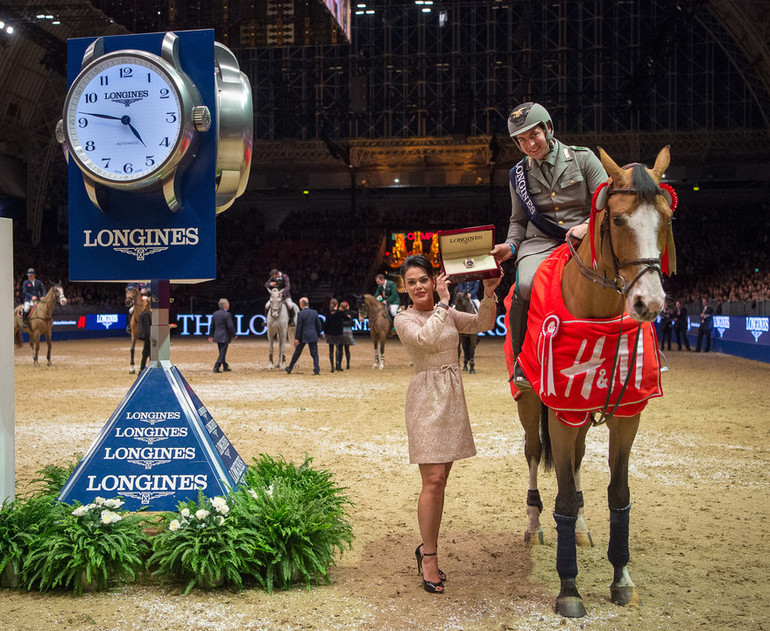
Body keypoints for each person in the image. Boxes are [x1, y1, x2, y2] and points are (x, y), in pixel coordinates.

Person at [394, 254, 501, 594]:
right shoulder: (403, 318)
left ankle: (428, 547)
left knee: (441, 482)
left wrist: (488, 292)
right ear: (404, 288)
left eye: (423, 279)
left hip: (452, 397)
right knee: (434, 479)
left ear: (432, 279)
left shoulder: (448, 312)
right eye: (411, 282)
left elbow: (483, 323)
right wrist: (442, 303)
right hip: (425, 396)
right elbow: (425, 340)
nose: (418, 286)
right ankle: (428, 556)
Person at [490, 102, 607, 389]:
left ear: (549, 129)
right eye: (522, 140)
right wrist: (511, 246)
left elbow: (608, 204)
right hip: (539, 243)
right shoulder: (517, 174)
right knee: (526, 285)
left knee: (618, 275)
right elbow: (518, 220)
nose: (530, 144)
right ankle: (521, 363)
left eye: (535, 136)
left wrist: (588, 226)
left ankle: (634, 347)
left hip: (584, 239)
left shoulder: (583, 158)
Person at [285, 297, 323, 375]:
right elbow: (318, 325)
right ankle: (316, 369)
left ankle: (290, 368)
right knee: (315, 354)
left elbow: (299, 327)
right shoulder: (314, 312)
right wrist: (319, 335)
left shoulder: (300, 314)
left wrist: (296, 338)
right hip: (313, 335)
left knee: (297, 353)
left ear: (302, 304)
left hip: (303, 336)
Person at [208, 298, 236, 373]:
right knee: (223, 352)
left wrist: (211, 335)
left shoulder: (215, 314)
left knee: (221, 351)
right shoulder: (227, 314)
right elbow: (230, 326)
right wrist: (233, 334)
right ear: (225, 305)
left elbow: (212, 325)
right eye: (228, 303)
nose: (229, 305)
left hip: (217, 335)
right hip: (225, 335)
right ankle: (216, 366)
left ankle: (225, 365)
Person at [325, 298, 346, 372]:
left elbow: (326, 325)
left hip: (330, 334)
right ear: (337, 304)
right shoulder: (340, 313)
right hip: (339, 333)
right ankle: (339, 365)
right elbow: (346, 319)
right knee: (340, 350)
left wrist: (325, 332)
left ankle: (332, 367)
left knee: (331, 350)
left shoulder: (328, 314)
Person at [136, 294, 152, 373]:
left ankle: (141, 369)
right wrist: (150, 336)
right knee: (150, 354)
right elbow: (147, 326)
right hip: (147, 336)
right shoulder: (147, 314)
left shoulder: (143, 312)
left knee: (145, 353)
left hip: (145, 336)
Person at [339, 301, 355, 369]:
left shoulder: (339, 313)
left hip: (340, 331)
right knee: (347, 349)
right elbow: (351, 322)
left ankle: (339, 364)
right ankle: (348, 364)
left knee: (339, 349)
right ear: (347, 307)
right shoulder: (350, 313)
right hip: (348, 331)